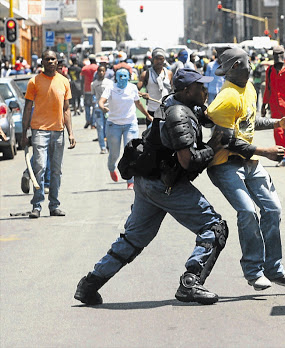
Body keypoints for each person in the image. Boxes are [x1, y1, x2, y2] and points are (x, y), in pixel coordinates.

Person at [74, 68, 230, 306]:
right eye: (200, 86)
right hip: (164, 185)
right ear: (187, 90)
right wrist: (213, 147)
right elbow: (187, 160)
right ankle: (191, 282)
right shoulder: (178, 114)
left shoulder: (177, 103)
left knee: (133, 239)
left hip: (147, 183)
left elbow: (206, 115)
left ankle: (90, 284)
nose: (205, 90)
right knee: (214, 227)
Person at [206, 47, 285, 291]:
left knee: (273, 209)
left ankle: (274, 268)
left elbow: (250, 120)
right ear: (236, 66)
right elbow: (227, 141)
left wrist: (279, 122)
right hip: (225, 165)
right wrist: (264, 151)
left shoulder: (247, 87)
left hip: (249, 163)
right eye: (249, 61)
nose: (253, 65)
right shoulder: (225, 98)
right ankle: (254, 271)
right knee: (247, 212)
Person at [20, 50, 76, 219]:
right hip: (39, 131)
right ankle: (36, 206)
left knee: (56, 171)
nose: (51, 61)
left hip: (58, 132)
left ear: (57, 61)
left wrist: (71, 133)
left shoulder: (64, 82)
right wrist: (24, 133)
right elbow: (28, 108)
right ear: (42, 62)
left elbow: (66, 110)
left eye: (53, 59)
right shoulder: (34, 82)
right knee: (40, 167)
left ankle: (54, 205)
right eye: (47, 59)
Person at [98, 68, 152, 189]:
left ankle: (130, 180)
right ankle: (111, 167)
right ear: (116, 77)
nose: (122, 78)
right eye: (120, 76)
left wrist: (148, 115)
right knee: (115, 154)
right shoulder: (111, 88)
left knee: (131, 152)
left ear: (129, 77)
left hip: (130, 124)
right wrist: (102, 107)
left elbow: (138, 103)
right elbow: (101, 101)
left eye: (125, 76)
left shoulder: (132, 88)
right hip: (114, 125)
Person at [261, 45, 285, 167]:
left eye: (280, 54)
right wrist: (264, 104)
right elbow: (267, 88)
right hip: (275, 106)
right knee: (278, 132)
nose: (278, 57)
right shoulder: (270, 70)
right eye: (276, 54)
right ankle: (282, 156)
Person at [137, 48, 173, 127]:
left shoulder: (169, 73)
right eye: (157, 59)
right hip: (152, 112)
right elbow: (135, 92)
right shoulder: (146, 74)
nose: (159, 61)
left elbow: (173, 91)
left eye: (161, 59)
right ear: (153, 60)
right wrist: (143, 94)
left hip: (166, 110)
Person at [91, 65, 114, 154]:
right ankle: (102, 147)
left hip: (108, 108)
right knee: (100, 128)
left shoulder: (109, 83)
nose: (101, 73)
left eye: (103, 71)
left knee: (109, 127)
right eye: (99, 71)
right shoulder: (93, 84)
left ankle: (109, 145)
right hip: (98, 108)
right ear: (97, 72)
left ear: (105, 72)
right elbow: (93, 95)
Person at [81, 54, 98, 129]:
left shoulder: (84, 68)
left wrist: (82, 89)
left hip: (87, 89)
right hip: (95, 90)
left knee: (87, 106)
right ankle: (93, 123)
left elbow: (82, 80)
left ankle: (88, 120)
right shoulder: (97, 68)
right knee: (94, 107)